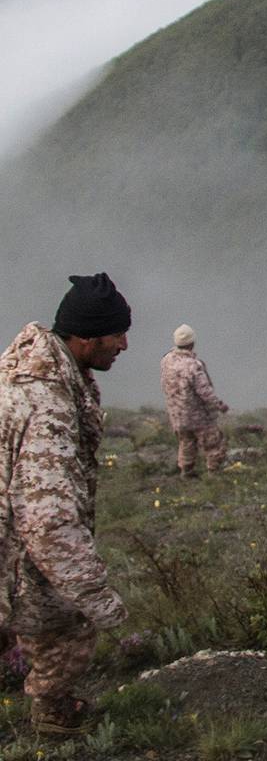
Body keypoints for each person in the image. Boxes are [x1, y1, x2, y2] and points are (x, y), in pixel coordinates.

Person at [0, 273, 131, 735]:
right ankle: (52, 711)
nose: (125, 344)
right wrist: (97, 598)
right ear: (85, 337)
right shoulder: (48, 405)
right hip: (14, 543)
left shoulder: (27, 367)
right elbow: (48, 521)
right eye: (117, 334)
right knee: (69, 618)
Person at [159, 324, 230, 477]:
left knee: (186, 443)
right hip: (197, 414)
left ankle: (186, 472)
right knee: (213, 443)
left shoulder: (166, 361)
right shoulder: (193, 365)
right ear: (192, 343)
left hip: (177, 414)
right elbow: (204, 391)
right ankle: (214, 473)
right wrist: (219, 405)